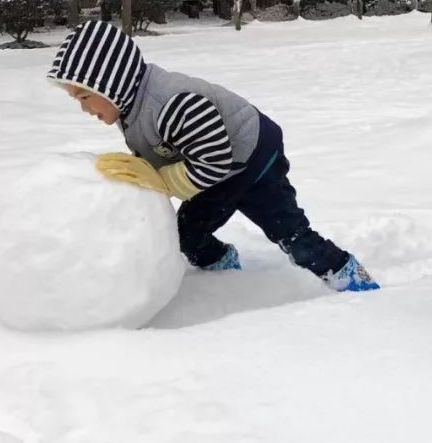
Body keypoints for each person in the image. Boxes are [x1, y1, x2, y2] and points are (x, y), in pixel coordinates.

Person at [47, 20, 380, 292]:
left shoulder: (171, 103)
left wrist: (159, 180)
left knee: (291, 235)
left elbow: (214, 160)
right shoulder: (130, 107)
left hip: (252, 159)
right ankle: (224, 274)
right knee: (188, 234)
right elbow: (170, 149)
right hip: (215, 166)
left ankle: (350, 278)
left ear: (111, 83)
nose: (84, 108)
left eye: (85, 96)